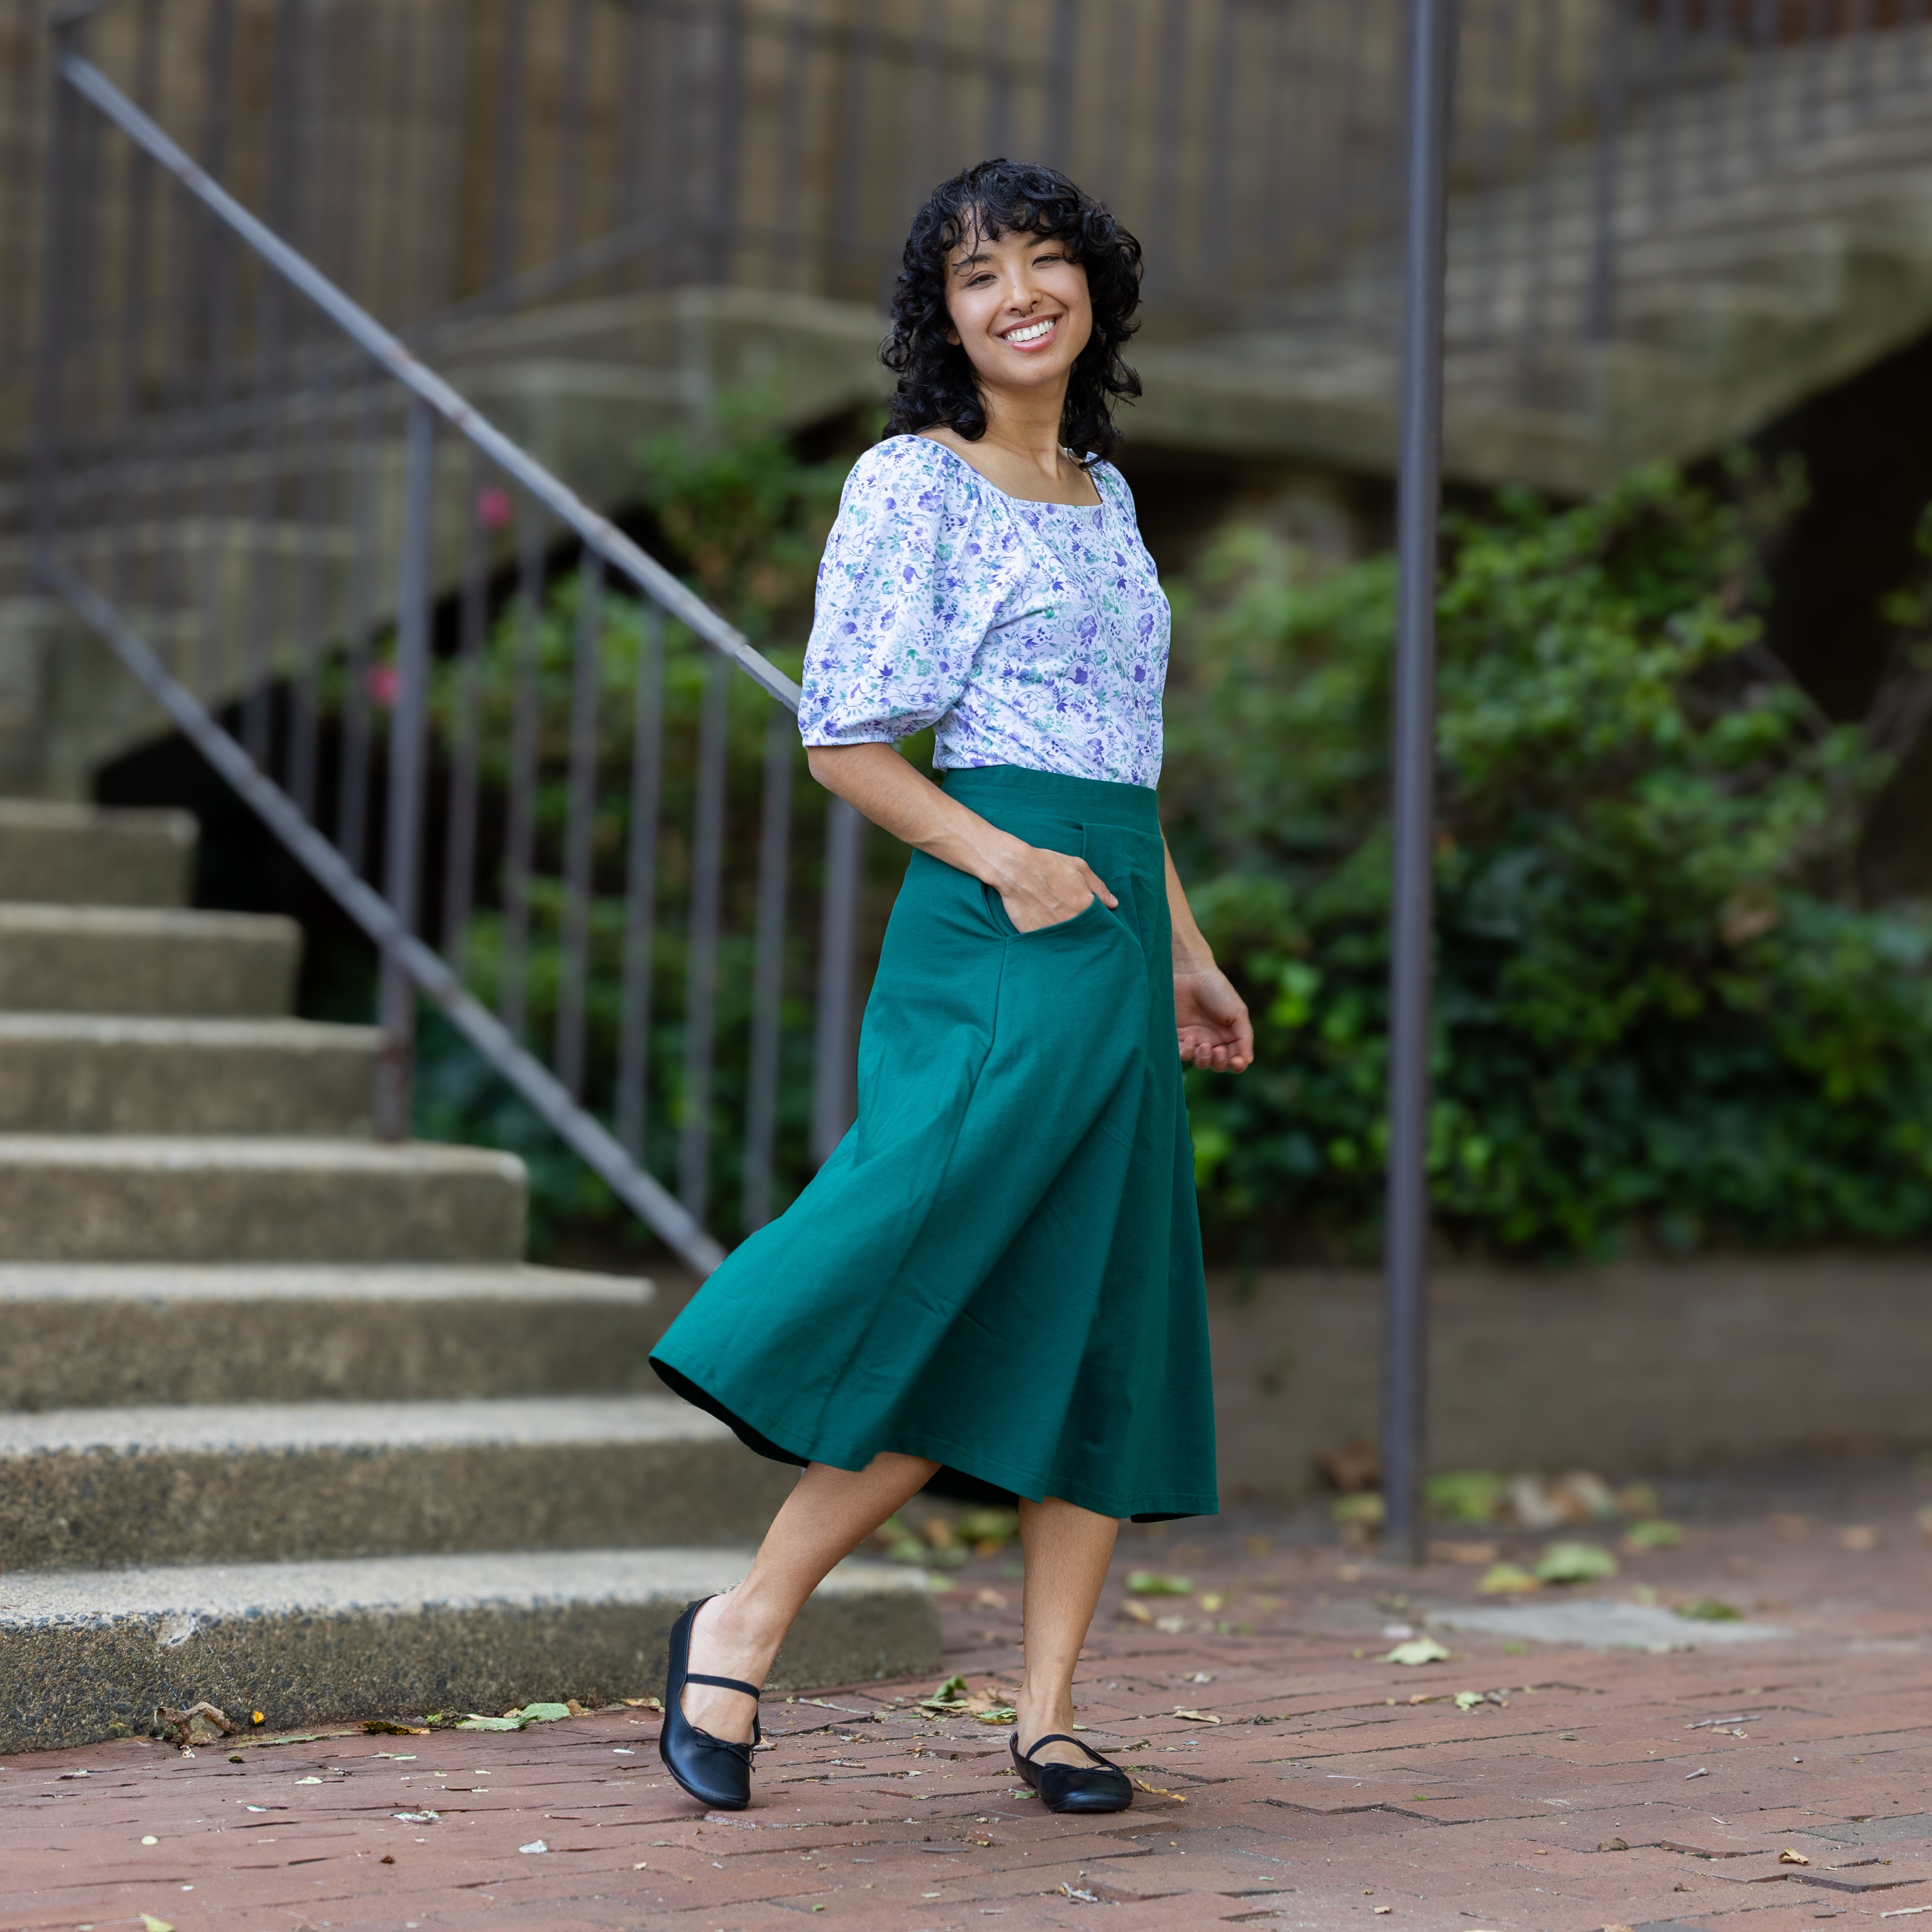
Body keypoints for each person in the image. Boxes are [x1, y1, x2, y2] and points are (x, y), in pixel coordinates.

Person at [647, 157, 1253, 1818]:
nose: (1018, 295)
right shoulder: (913, 481)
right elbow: (844, 738)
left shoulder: (1108, 496)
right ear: (947, 318)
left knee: (1101, 1300)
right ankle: (742, 1621)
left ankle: (1048, 1715)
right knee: (954, 1266)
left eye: (1044, 261)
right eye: (980, 275)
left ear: (1093, 289)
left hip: (1113, 914)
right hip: (1001, 924)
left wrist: (1187, 950)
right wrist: (1009, 864)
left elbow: (1128, 767)